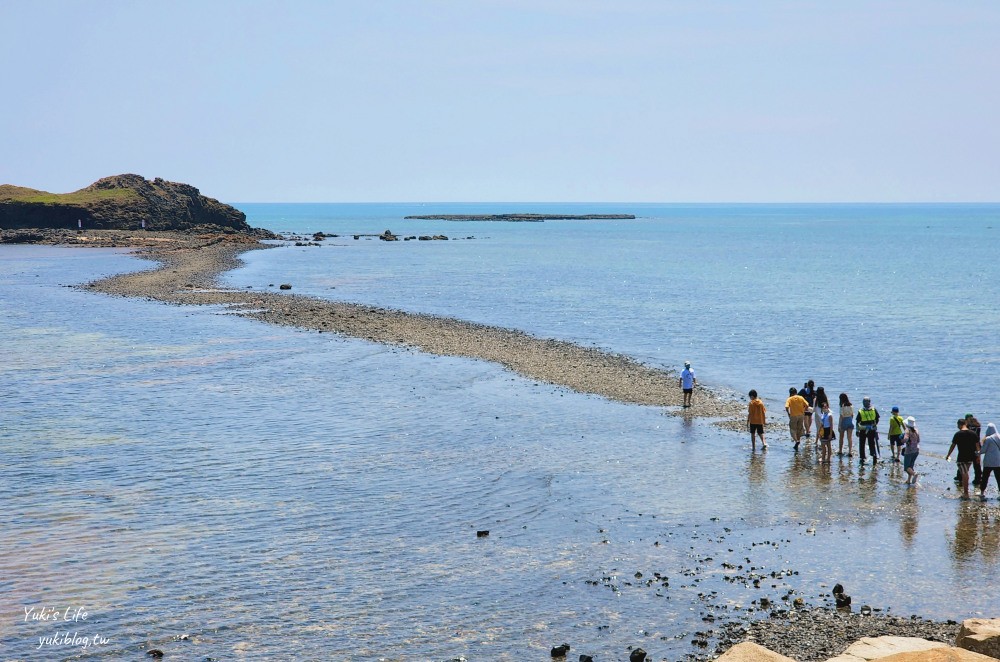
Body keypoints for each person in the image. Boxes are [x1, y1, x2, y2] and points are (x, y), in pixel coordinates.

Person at [945, 418, 980, 499]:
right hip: (971, 457)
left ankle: (966, 493)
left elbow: (953, 446)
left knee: (964, 474)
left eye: (957, 425)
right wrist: (978, 457)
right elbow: (977, 447)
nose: (957, 427)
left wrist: (948, 455)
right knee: (965, 472)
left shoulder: (958, 434)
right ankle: (966, 492)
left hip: (961, 458)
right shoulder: (973, 433)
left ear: (960, 424)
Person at [855, 396, 880, 466]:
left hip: (863, 428)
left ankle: (862, 457)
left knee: (862, 443)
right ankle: (874, 455)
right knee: (871, 443)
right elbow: (877, 419)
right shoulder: (873, 409)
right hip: (871, 429)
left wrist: (857, 431)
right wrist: (875, 425)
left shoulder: (861, 411)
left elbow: (857, 421)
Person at [979, 423, 1000, 500]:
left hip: (988, 462)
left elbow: (983, 450)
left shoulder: (988, 439)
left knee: (985, 477)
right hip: (998, 462)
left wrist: (977, 453)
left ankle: (982, 493)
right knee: (999, 478)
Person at [901, 416, 920, 485]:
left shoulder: (907, 430)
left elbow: (905, 439)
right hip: (916, 450)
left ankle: (914, 474)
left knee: (906, 467)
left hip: (909, 450)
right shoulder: (916, 430)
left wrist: (902, 440)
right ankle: (908, 480)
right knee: (911, 466)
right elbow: (918, 440)